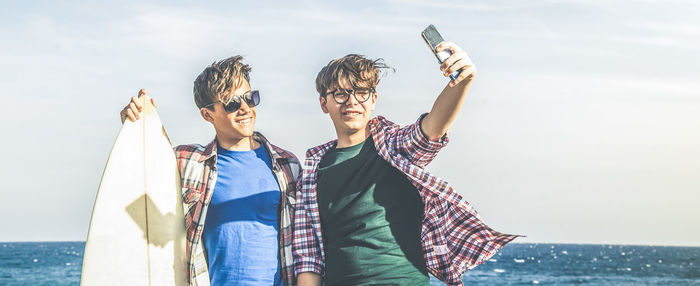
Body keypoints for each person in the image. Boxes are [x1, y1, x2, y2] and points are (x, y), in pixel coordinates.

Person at [293, 42, 519, 286]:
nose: (352, 101)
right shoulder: (313, 171)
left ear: (373, 99)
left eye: (361, 92)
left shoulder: (391, 145)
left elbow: (431, 130)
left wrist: (462, 80)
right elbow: (309, 257)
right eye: (340, 93)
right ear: (324, 103)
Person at [120, 56, 300, 286]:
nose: (245, 108)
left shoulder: (287, 166)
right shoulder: (188, 162)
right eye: (232, 103)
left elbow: (305, 241)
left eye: (250, 98)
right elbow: (138, 166)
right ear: (207, 114)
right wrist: (133, 123)